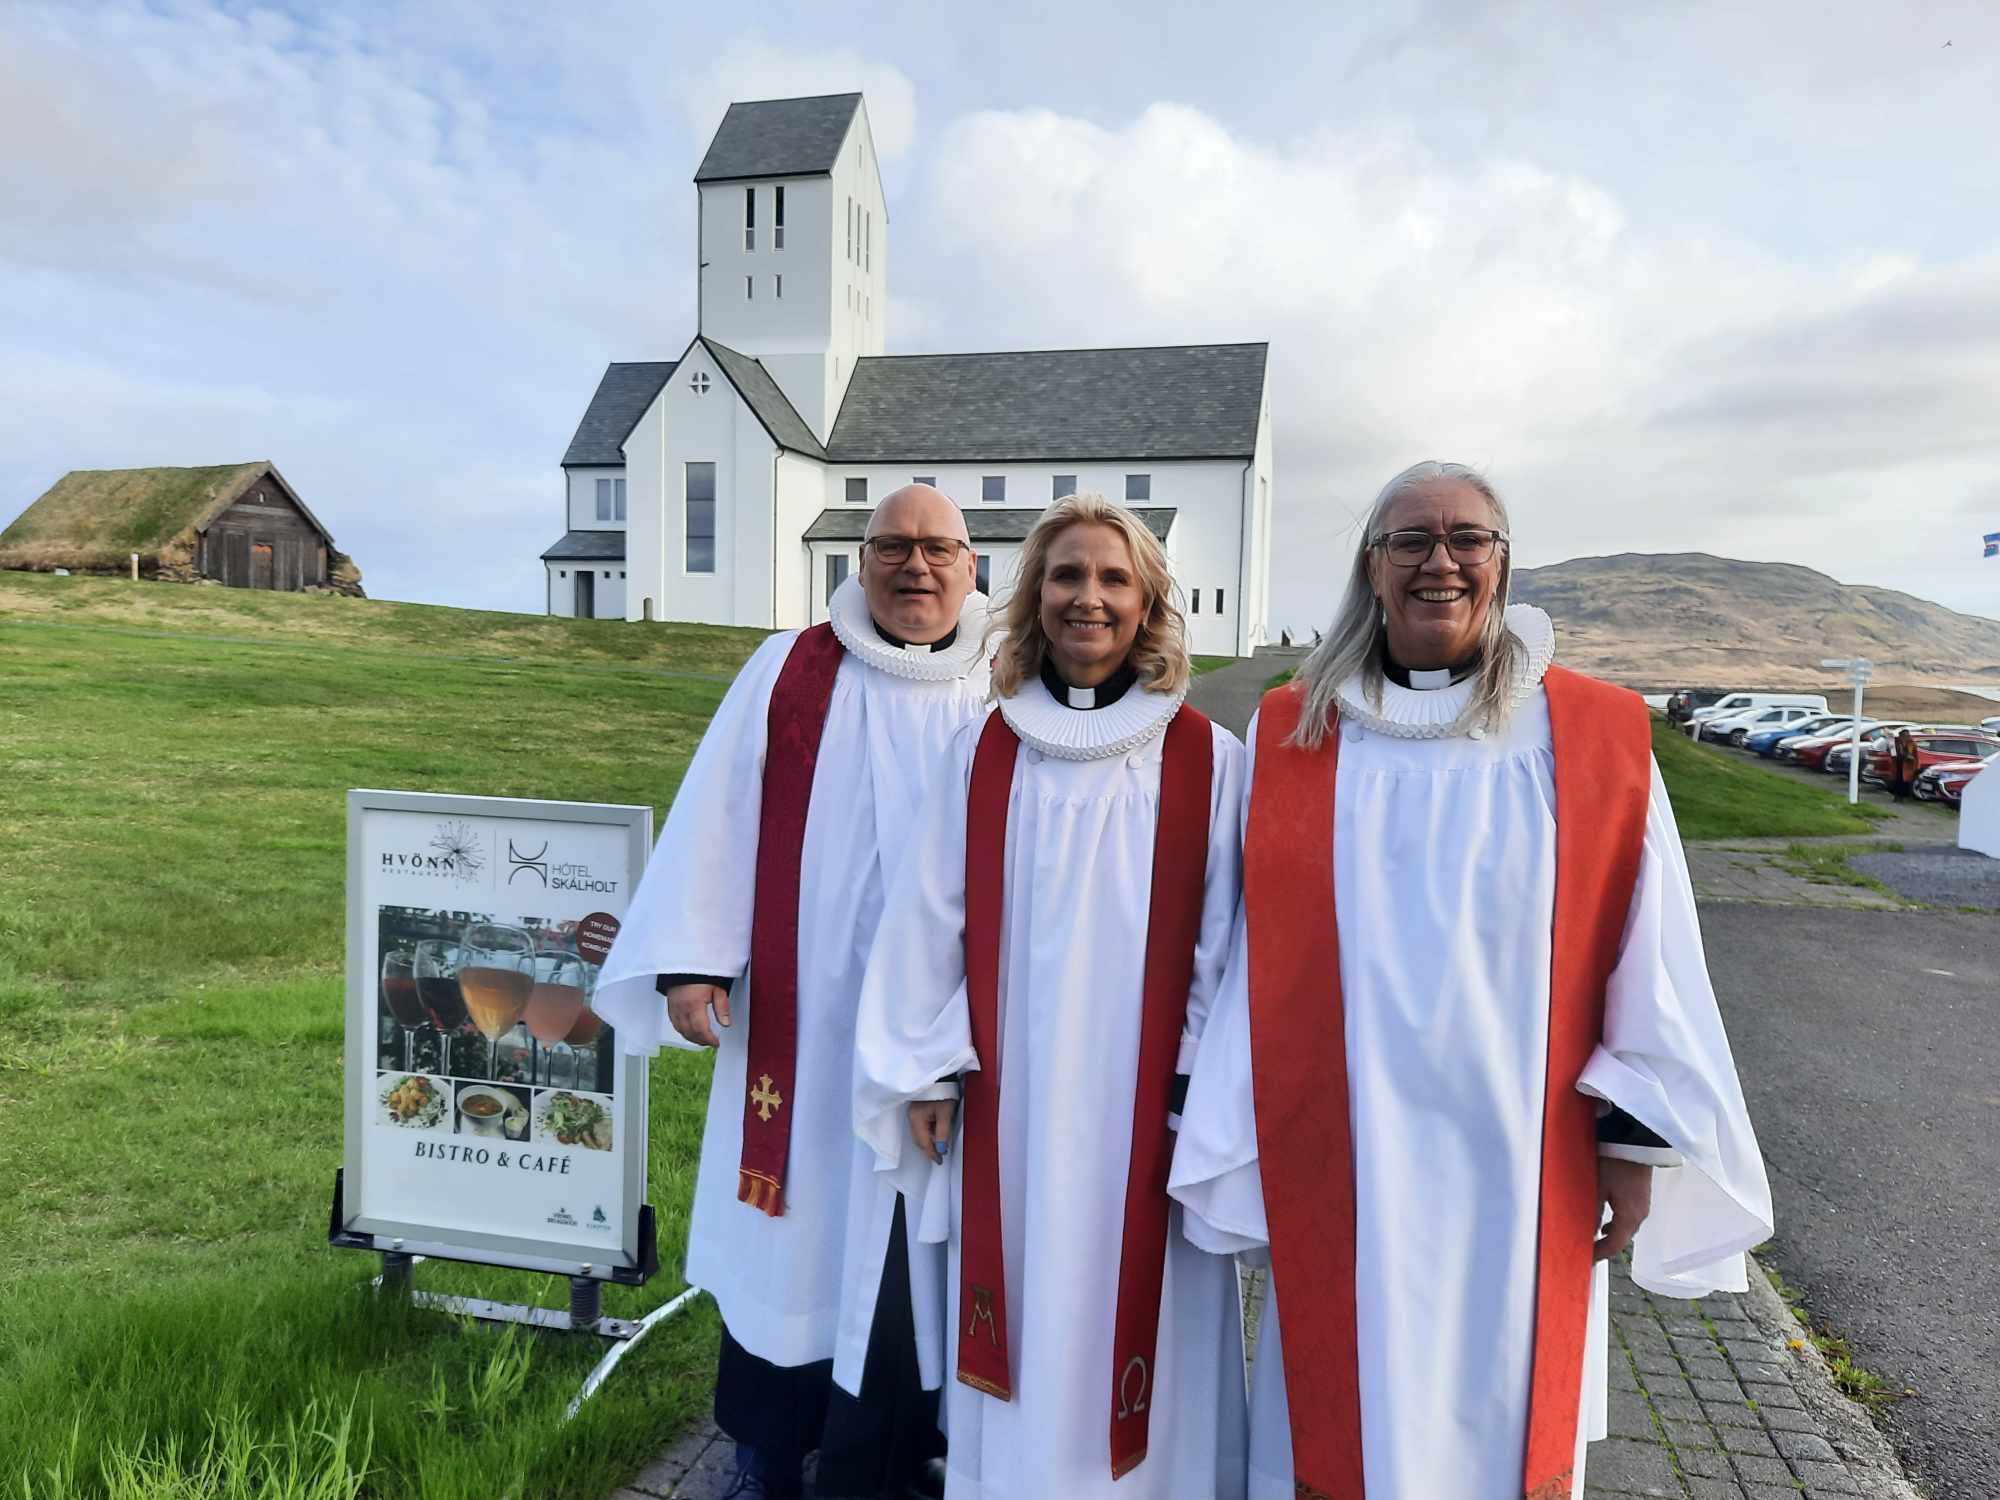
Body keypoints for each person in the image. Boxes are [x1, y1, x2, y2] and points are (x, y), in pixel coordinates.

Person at [1170, 461, 1773, 1500]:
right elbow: (1231, 942)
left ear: (1501, 562)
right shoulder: (1294, 732)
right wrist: (1224, 1119)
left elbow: (1648, 937)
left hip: (1521, 1157)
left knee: (1501, 1426)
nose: (1437, 561)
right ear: (1371, 566)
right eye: (1409, 540)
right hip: (1342, 1150)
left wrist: (1627, 1140)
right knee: (1335, 1418)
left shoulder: (1590, 735)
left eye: (1465, 539)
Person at [595, 485, 991, 1500]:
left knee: (919, 1256)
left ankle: (905, 1464)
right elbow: (718, 814)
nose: (916, 567)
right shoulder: (790, 669)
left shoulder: (1008, 675)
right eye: (892, 547)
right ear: (856, 560)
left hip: (946, 1033)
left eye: (937, 548)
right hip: (804, 1023)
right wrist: (690, 960)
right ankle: (766, 1454)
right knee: (791, 1243)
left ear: (971, 562)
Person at [853, 495, 1249, 1500]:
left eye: (1113, 578)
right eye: (1066, 576)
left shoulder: (1208, 760)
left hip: (1145, 1116)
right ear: (1031, 600)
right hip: (1012, 1111)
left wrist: (1196, 1085)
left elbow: (1229, 941)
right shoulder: (986, 750)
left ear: (1149, 601)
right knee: (1019, 1316)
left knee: (1148, 1329)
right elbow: (927, 921)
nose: (1088, 598)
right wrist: (929, 1065)